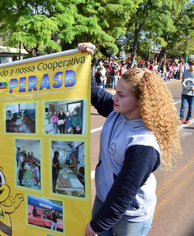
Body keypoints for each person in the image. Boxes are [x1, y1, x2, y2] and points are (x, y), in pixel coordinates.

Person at [78, 43, 182, 236]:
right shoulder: (118, 111)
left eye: (120, 94)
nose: (113, 97)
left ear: (141, 101)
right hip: (104, 200)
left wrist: (96, 226)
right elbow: (94, 92)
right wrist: (86, 59)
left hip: (130, 217)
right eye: (115, 91)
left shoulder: (144, 144)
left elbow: (123, 194)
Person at [179, 60, 194, 124]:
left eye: (193, 65)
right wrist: (183, 86)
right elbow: (182, 81)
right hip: (185, 92)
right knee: (183, 106)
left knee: (190, 107)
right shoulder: (185, 73)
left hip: (192, 94)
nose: (191, 66)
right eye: (190, 65)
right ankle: (181, 119)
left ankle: (188, 118)